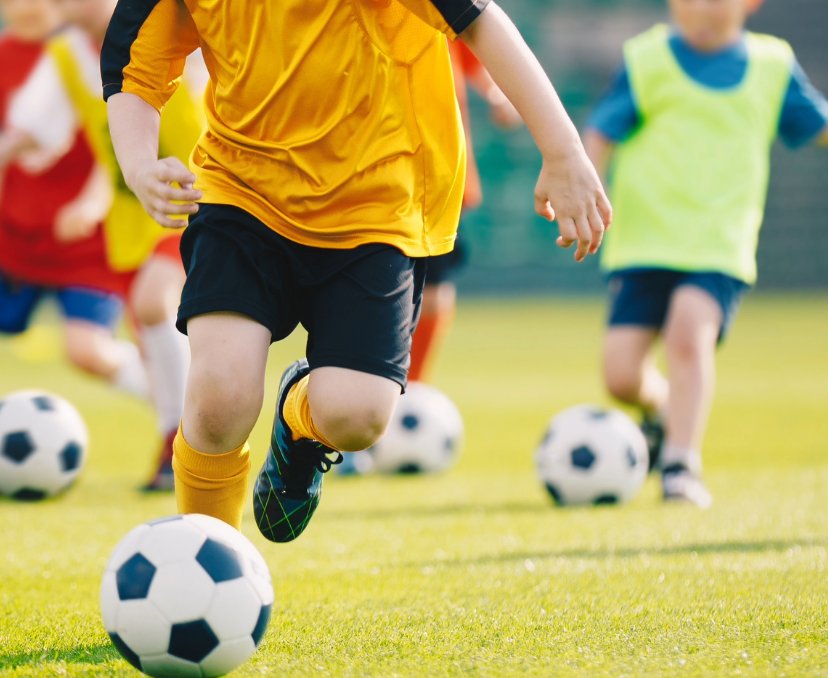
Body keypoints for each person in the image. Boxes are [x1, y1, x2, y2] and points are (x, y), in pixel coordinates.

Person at [104, 0, 611, 540]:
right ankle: (201, 557)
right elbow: (134, 68)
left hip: (376, 204)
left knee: (357, 418)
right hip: (241, 193)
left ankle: (299, 424)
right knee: (219, 398)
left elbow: (481, 20)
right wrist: (139, 165)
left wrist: (564, 152)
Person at [585, 0, 828, 508]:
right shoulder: (645, 59)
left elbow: (827, 121)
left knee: (688, 335)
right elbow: (600, 132)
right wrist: (586, 185)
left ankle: (681, 464)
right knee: (620, 376)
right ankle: (662, 411)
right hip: (644, 242)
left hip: (718, 245)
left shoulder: (771, 65)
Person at [0, 0, 153, 492]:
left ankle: (174, 403)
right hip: (18, 231)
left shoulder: (90, 47)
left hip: (82, 238)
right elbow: (8, 144)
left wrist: (93, 201)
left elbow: (118, 136)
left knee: (87, 352)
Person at [53, 0, 208, 492]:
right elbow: (43, 132)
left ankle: (187, 436)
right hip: (133, 218)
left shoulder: (176, 27)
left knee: (153, 301)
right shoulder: (62, 57)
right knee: (155, 333)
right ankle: (178, 438)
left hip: (198, 196)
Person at [408, 40, 522, 387]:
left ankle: (412, 387)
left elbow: (473, 44)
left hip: (440, 170)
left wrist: (495, 93)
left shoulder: (439, 10)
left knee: (434, 291)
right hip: (370, 167)